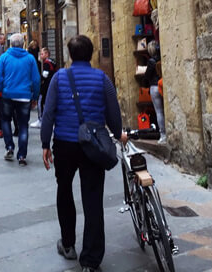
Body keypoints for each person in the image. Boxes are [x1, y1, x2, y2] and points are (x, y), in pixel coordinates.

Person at [41, 34, 126, 272]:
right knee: (92, 198)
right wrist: (117, 132)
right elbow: (114, 115)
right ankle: (90, 259)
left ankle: (68, 244)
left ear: (70, 55)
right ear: (91, 54)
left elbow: (48, 114)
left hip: (65, 144)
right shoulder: (102, 79)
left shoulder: (59, 78)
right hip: (93, 145)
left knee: (64, 190)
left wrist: (45, 143)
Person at [0, 33, 40, 165]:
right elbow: (36, 79)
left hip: (8, 95)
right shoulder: (30, 59)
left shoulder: (4, 57)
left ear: (10, 44)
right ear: (23, 44)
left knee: (5, 121)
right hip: (24, 96)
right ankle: (21, 156)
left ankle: (9, 147)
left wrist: (2, 89)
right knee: (23, 126)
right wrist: (35, 96)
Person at [31, 47, 57, 128]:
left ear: (46, 54)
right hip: (51, 85)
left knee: (40, 102)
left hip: (46, 86)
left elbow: (45, 75)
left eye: (42, 54)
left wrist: (39, 80)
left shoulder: (46, 63)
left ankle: (41, 120)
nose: (40, 56)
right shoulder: (52, 61)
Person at [146, 40, 166, 143]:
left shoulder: (151, 61)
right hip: (162, 84)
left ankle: (163, 134)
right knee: (164, 110)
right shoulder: (161, 58)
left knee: (159, 111)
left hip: (154, 86)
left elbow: (147, 75)